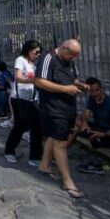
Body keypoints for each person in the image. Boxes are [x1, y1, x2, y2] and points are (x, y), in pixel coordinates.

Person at [35, 39, 88, 198]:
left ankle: (44, 165)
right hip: (53, 107)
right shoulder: (48, 58)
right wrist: (65, 89)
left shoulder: (69, 61)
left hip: (67, 107)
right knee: (60, 143)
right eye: (72, 54)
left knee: (55, 136)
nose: (73, 58)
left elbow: (72, 79)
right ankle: (68, 182)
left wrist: (79, 85)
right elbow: (39, 81)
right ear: (64, 48)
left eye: (76, 56)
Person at [72, 77, 110, 174]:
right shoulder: (92, 99)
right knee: (75, 122)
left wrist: (103, 134)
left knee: (84, 132)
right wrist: (85, 122)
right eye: (92, 91)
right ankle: (62, 151)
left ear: (101, 89)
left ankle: (97, 163)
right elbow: (85, 115)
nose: (95, 93)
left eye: (97, 90)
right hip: (99, 128)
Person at [4, 40, 43, 166]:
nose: (37, 55)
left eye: (39, 53)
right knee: (20, 126)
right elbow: (19, 77)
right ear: (29, 50)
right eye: (36, 52)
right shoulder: (20, 60)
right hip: (20, 99)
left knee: (36, 127)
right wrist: (33, 80)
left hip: (32, 99)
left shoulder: (33, 65)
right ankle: (9, 150)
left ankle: (35, 156)